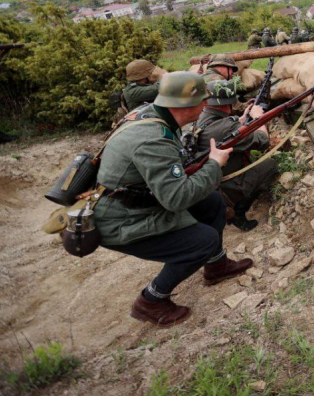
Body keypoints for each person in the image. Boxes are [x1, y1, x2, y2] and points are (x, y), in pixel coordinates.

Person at [94, 72, 253, 327]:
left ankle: (216, 265)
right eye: (202, 101)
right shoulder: (152, 139)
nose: (205, 107)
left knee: (211, 202)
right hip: (118, 221)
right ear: (186, 105)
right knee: (203, 241)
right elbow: (176, 199)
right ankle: (151, 300)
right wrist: (214, 164)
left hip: (138, 199)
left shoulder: (151, 114)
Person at [193, 80, 278, 232]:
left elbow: (221, 129)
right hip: (223, 185)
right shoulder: (226, 127)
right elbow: (263, 141)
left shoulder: (197, 117)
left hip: (207, 181)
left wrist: (241, 120)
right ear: (229, 103)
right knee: (270, 164)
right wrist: (259, 119)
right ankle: (238, 212)